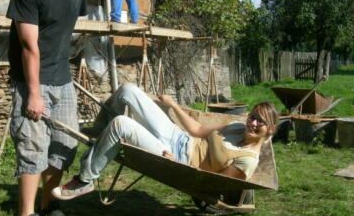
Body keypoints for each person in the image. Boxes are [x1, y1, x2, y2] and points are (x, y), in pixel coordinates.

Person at [52, 83, 279, 200]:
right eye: (253, 116)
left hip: (177, 157)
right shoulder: (237, 126)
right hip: (178, 137)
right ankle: (102, 130)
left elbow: (213, 181)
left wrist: (179, 168)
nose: (254, 123)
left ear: (270, 130)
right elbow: (198, 129)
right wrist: (172, 105)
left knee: (122, 123)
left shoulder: (246, 162)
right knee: (127, 90)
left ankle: (85, 180)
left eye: (261, 122)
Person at [7, 0, 87, 216]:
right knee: (32, 148)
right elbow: (30, 46)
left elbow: (63, 32)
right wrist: (35, 93)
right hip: (32, 82)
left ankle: (48, 206)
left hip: (62, 80)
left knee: (62, 148)